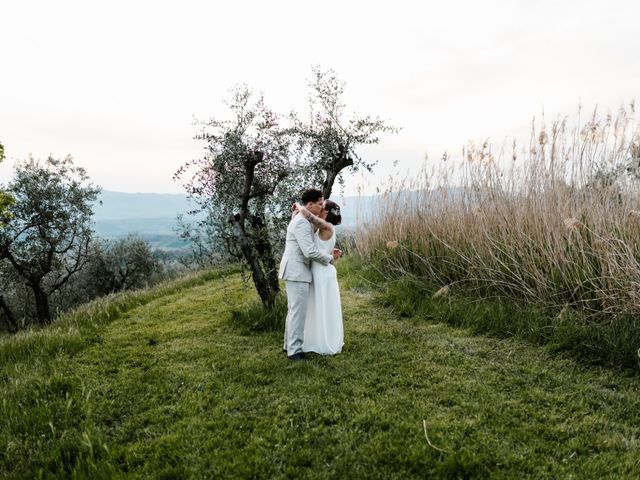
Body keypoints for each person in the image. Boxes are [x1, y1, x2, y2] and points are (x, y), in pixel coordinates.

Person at [279, 188, 342, 361]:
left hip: (297, 269)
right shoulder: (302, 222)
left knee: (294, 310)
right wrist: (329, 258)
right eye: (320, 204)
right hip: (296, 270)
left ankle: (289, 346)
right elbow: (309, 252)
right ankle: (295, 351)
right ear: (310, 205)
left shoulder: (304, 220)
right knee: (297, 311)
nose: (322, 207)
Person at [294, 199, 344, 355]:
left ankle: (324, 341)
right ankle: (316, 338)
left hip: (322, 272)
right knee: (317, 305)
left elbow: (309, 217)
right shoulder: (322, 227)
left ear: (326, 212)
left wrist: (301, 206)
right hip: (320, 269)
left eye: (321, 206)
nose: (319, 207)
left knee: (323, 305)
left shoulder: (326, 226)